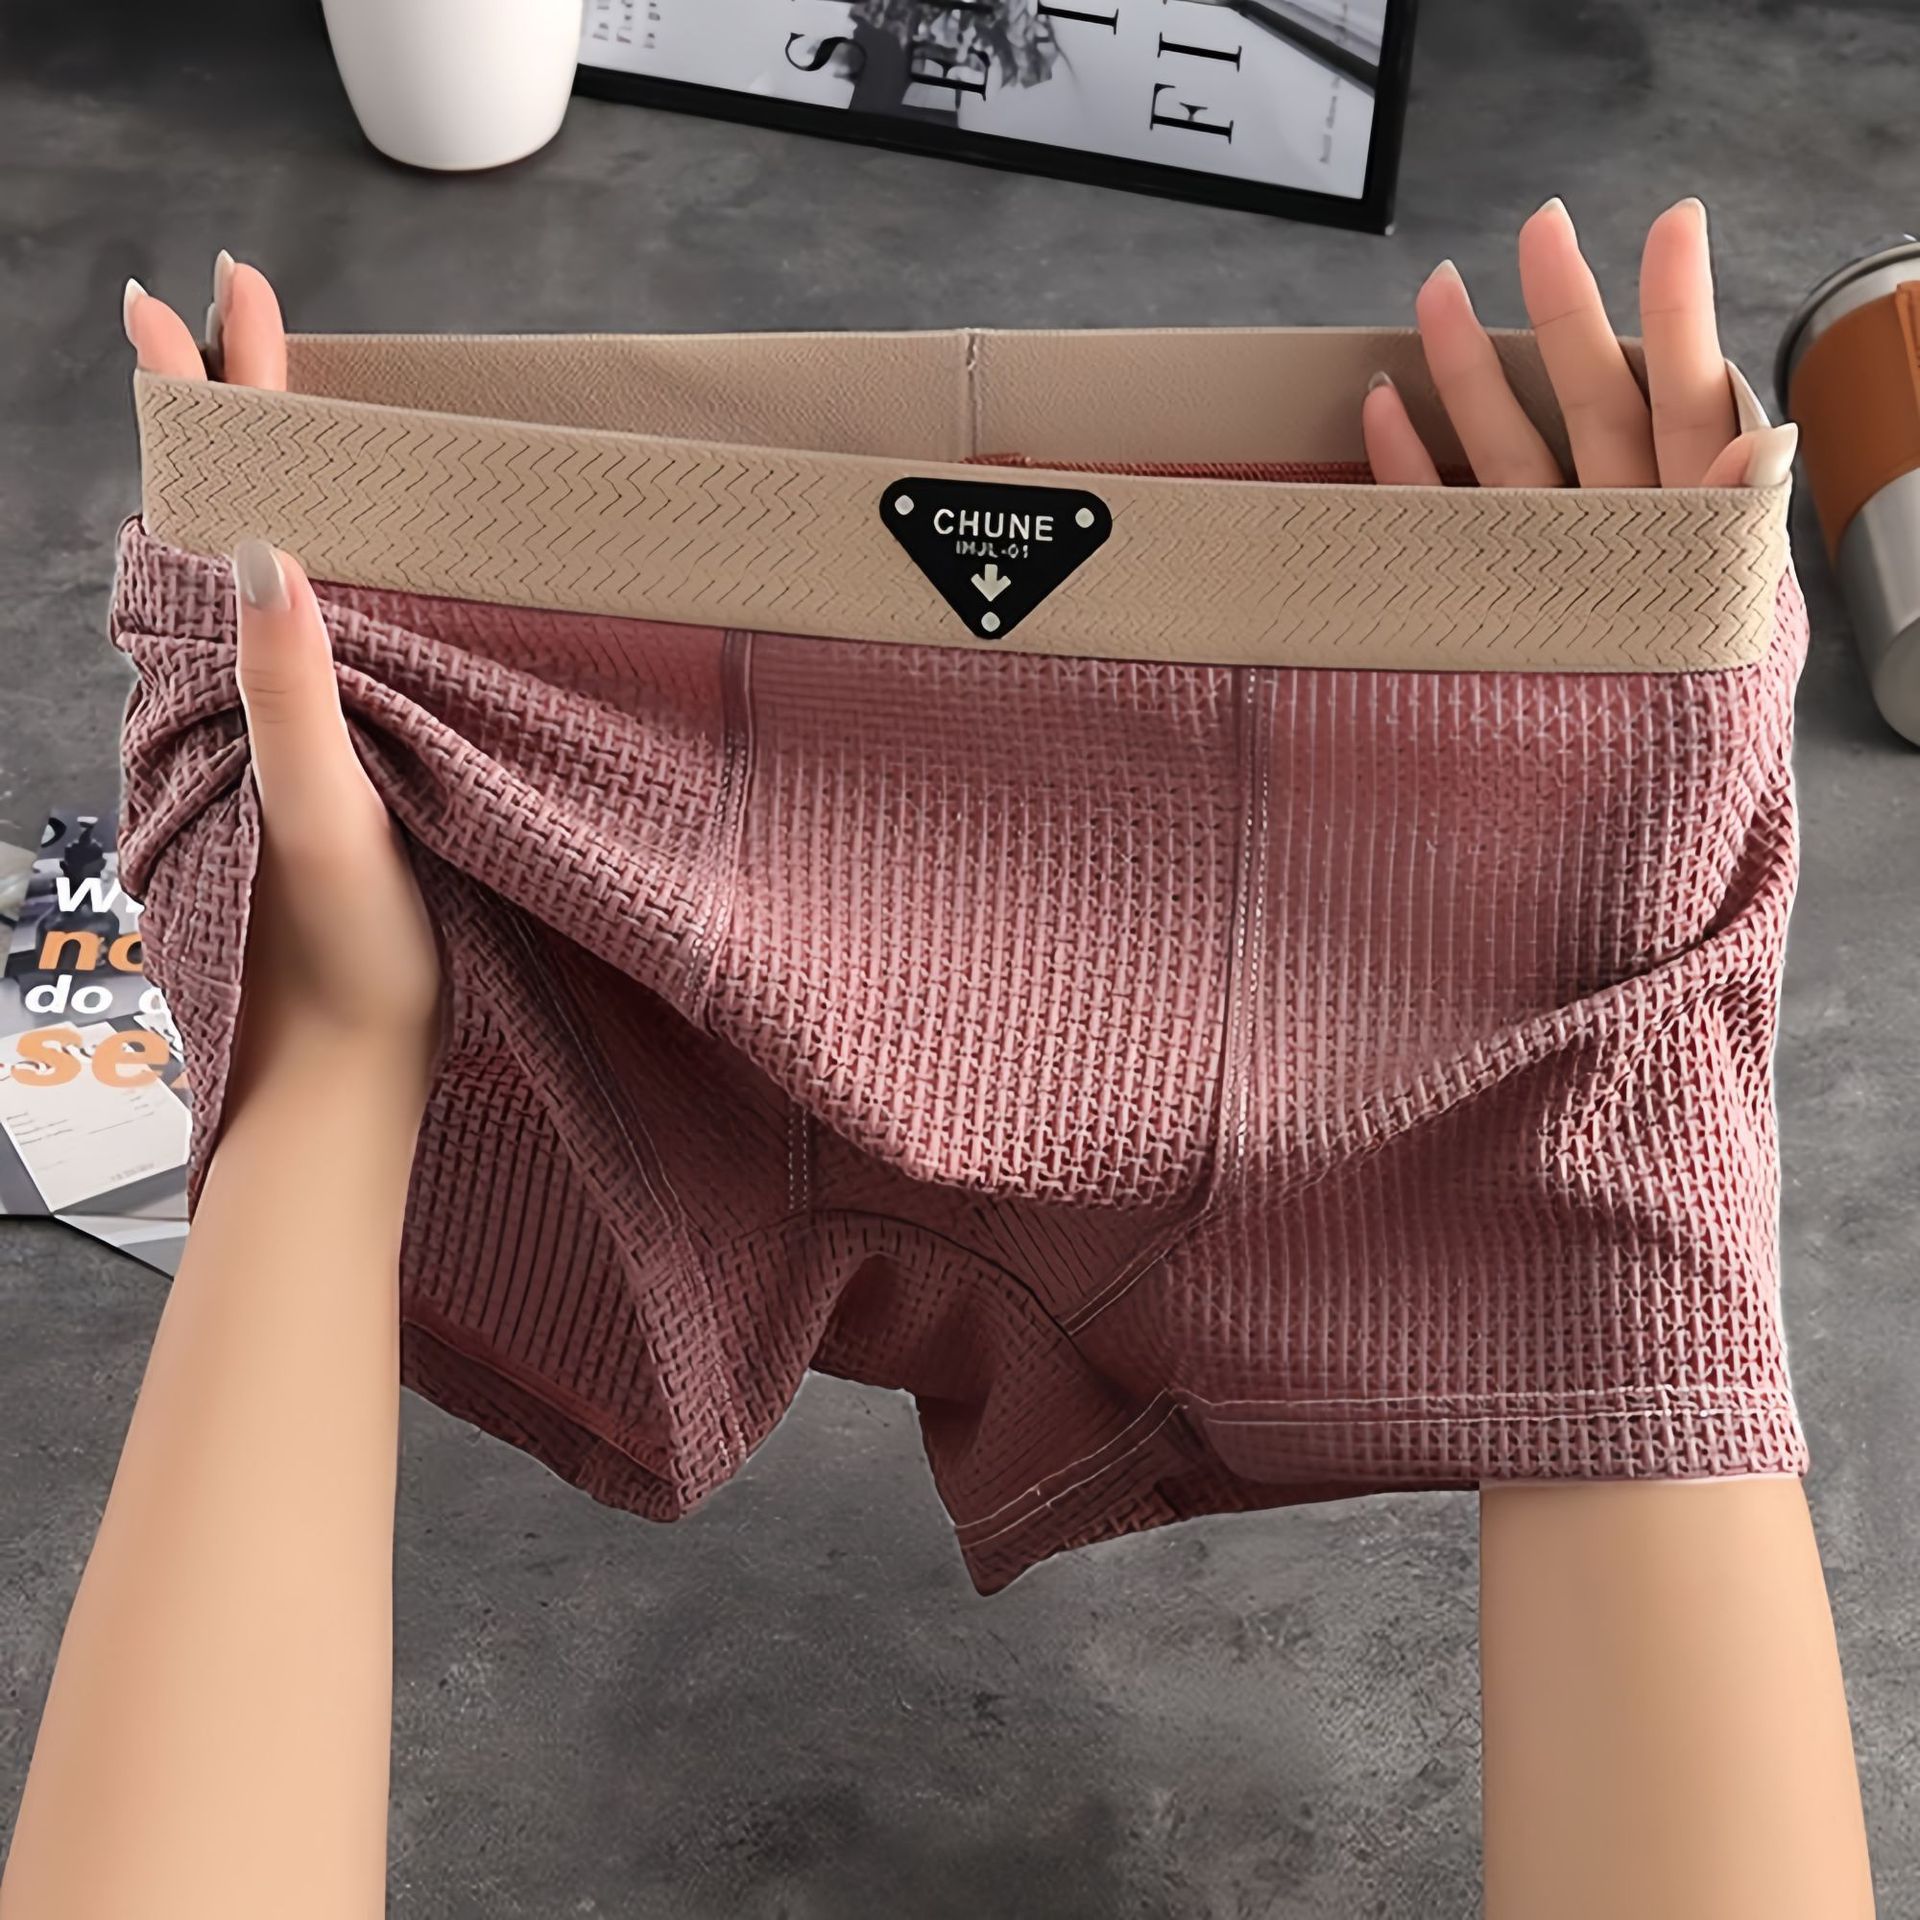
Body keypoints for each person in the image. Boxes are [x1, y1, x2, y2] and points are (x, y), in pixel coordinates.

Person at [0, 201, 1876, 1920]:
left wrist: (330, 1057)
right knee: (1626, 1289)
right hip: (508, 738)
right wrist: (1619, 1036)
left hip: (512, 738)